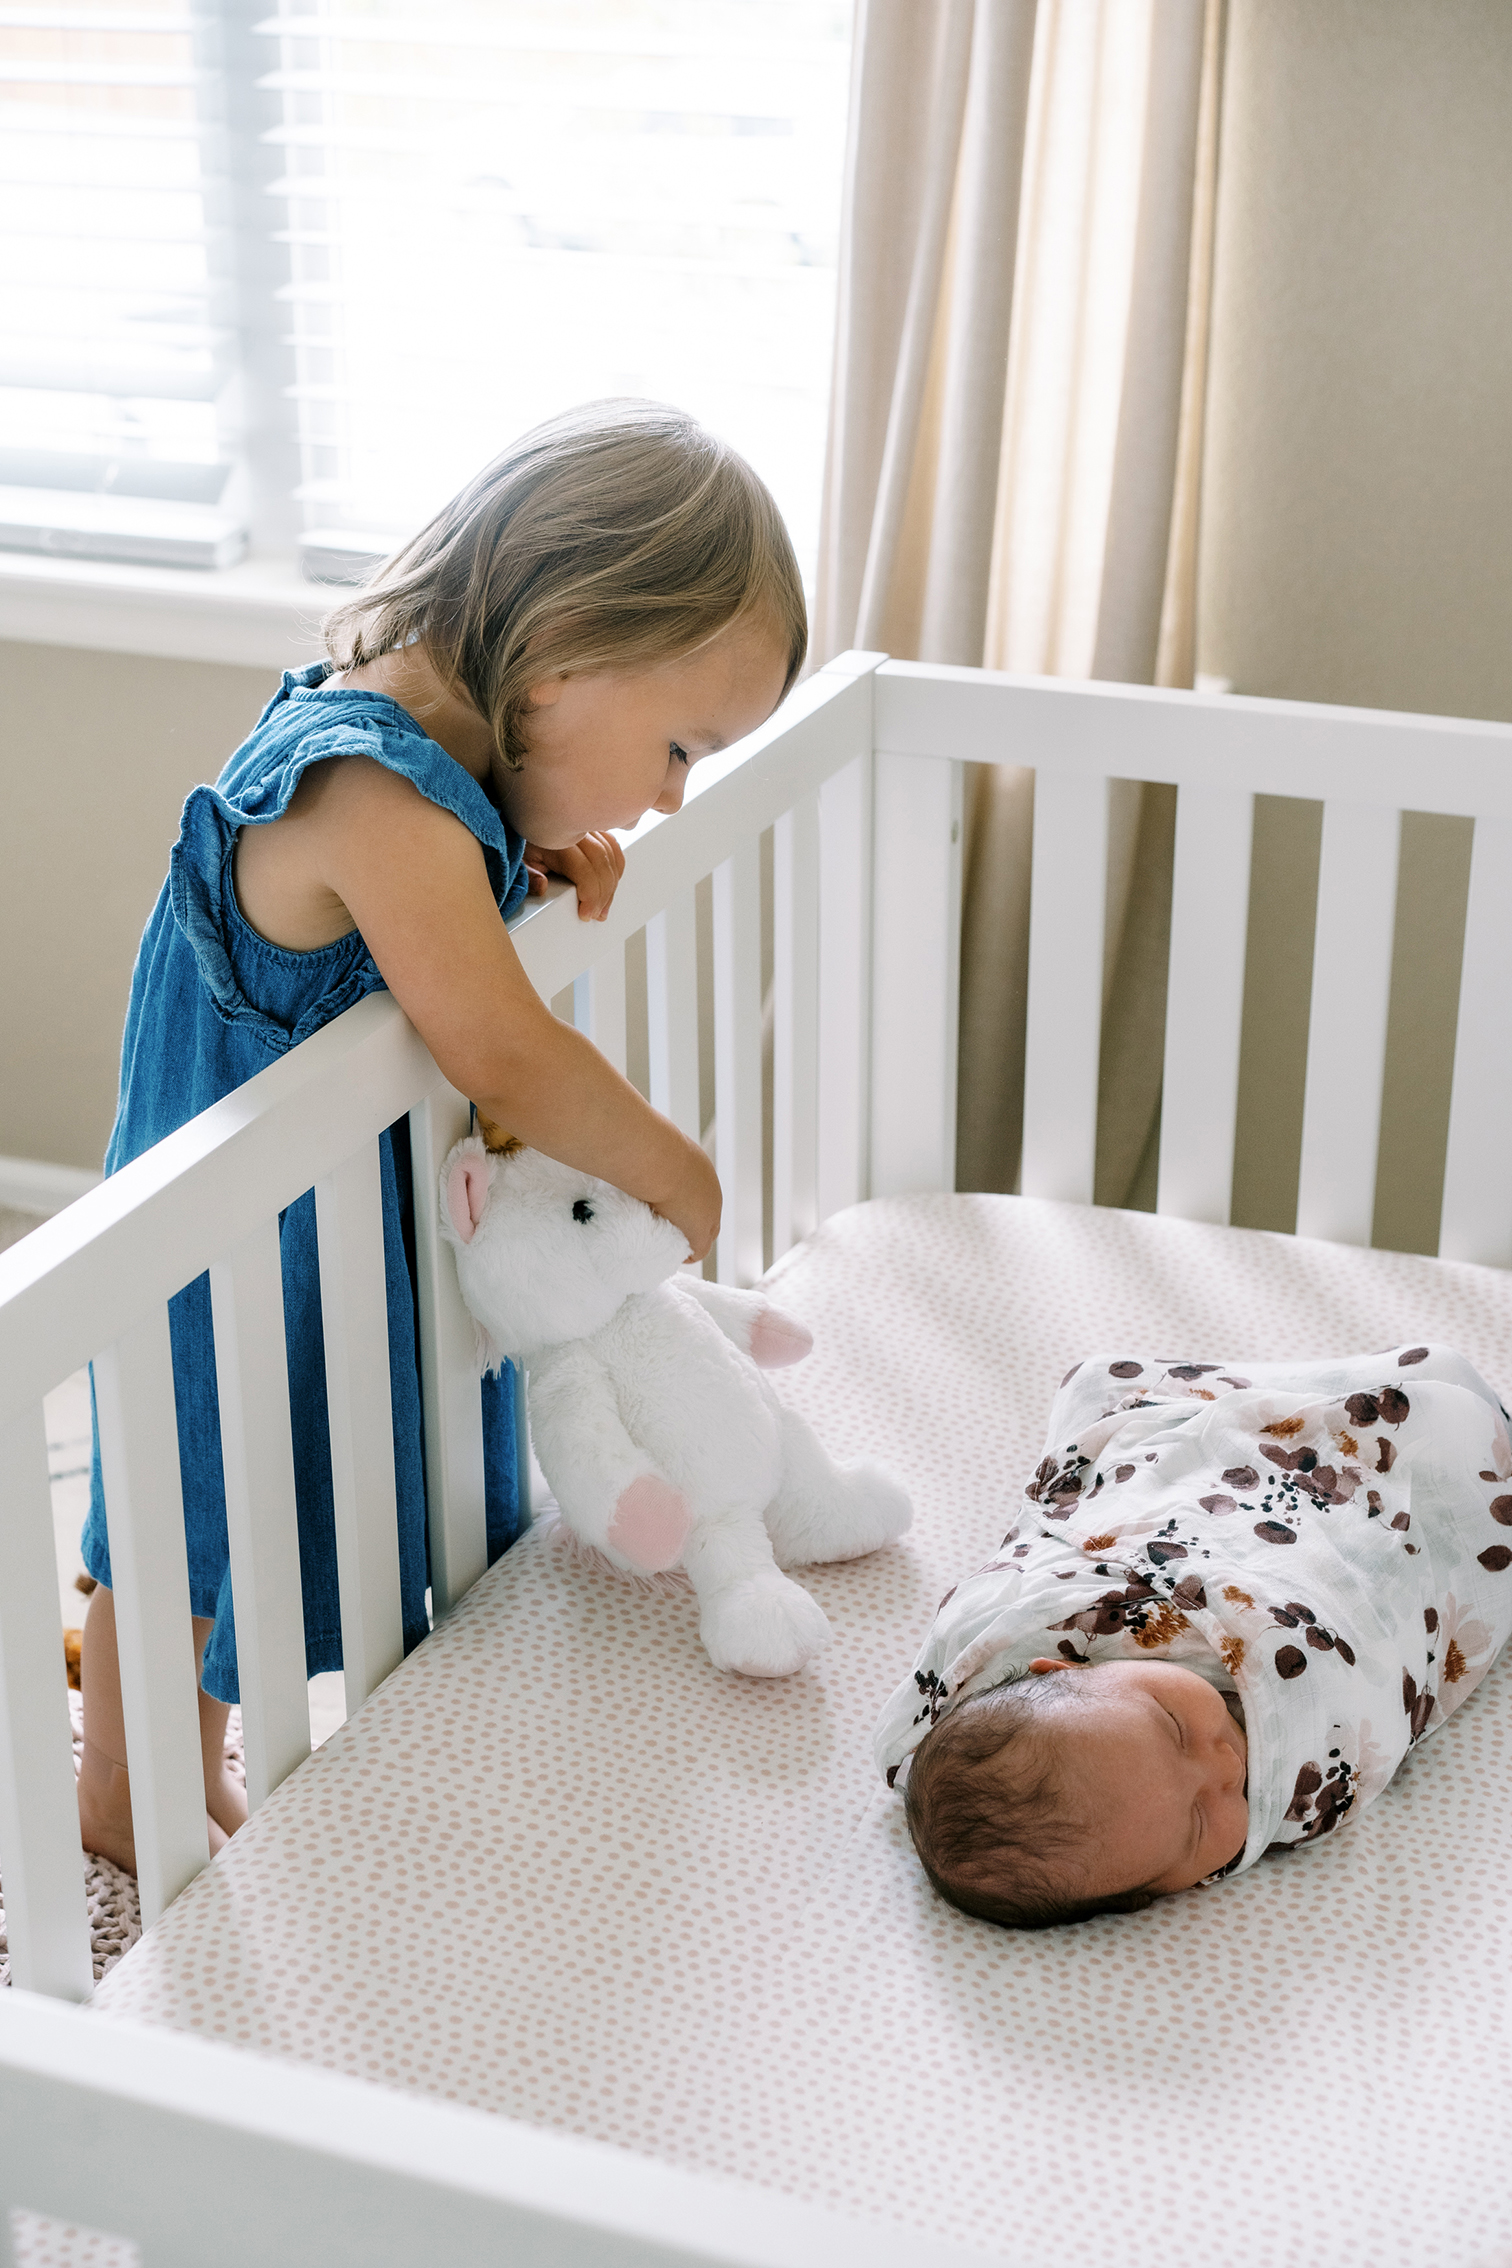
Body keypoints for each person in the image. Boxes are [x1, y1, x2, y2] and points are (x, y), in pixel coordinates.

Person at [78, 400, 805, 1873]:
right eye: (675, 746)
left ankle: (171, 1734)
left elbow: (430, 919)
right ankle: (120, 1796)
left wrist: (519, 846)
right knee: (193, 1517)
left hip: (336, 1225)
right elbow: (498, 1047)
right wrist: (669, 1163)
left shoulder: (443, 777)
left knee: (298, 1482)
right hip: (221, 1238)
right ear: (559, 659)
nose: (672, 796)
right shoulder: (367, 787)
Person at [877, 1344, 1512, 1929]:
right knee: (1449, 1478)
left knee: (1103, 1392)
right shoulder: (1293, 1784)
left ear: (1059, 1670)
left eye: (1173, 1727)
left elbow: (1016, 1573)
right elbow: (1359, 1705)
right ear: (1148, 1894)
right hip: (1333, 1583)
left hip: (1203, 1515)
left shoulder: (998, 1650)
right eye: (1201, 1822)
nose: (1223, 1763)